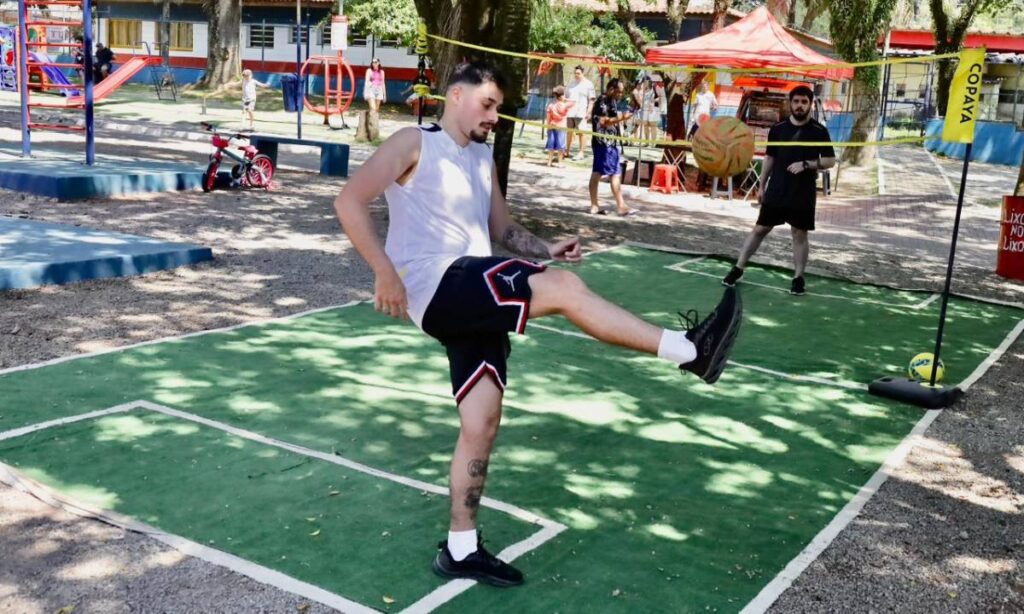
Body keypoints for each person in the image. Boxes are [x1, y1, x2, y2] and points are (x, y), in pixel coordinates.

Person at [333, 61, 743, 588]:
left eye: (499, 108)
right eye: (487, 104)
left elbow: (501, 227)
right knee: (565, 290)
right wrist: (384, 272)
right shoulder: (414, 141)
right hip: (438, 282)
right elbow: (349, 200)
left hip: (471, 290)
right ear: (455, 95)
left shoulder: (481, 156)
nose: (494, 116)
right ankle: (690, 350)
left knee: (482, 421)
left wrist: (545, 248)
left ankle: (460, 548)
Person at [721, 85, 836, 296]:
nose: (800, 105)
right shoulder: (778, 129)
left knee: (799, 233)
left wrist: (806, 164)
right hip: (777, 188)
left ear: (810, 105)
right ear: (790, 103)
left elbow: (830, 161)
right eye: (796, 101)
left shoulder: (819, 131)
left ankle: (798, 278)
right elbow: (770, 158)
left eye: (804, 102)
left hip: (803, 192)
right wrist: (761, 186)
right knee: (760, 229)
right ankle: (738, 268)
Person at [588, 79, 637, 217]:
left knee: (599, 172)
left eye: (622, 92)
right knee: (613, 173)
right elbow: (603, 121)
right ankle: (620, 206)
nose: (620, 94)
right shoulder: (602, 101)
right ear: (611, 89)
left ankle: (595, 205)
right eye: (618, 92)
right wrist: (622, 118)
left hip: (609, 143)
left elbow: (611, 120)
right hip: (604, 144)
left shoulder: (612, 101)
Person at [564, 65, 596, 160]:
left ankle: (581, 152)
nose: (576, 75)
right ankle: (567, 151)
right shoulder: (571, 84)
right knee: (569, 132)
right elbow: (566, 97)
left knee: (582, 133)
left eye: (578, 73)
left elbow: (591, 100)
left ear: (582, 73)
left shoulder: (588, 84)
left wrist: (588, 112)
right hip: (570, 112)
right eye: (575, 73)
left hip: (581, 112)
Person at [544, 86, 574, 167]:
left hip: (552, 126)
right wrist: (566, 100)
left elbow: (548, 117)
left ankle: (549, 162)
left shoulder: (551, 105)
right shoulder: (564, 105)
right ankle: (560, 163)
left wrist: (548, 127)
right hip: (561, 127)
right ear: (562, 96)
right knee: (561, 146)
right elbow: (573, 103)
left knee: (551, 145)